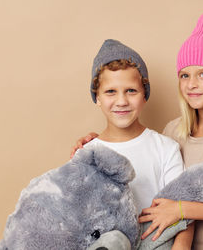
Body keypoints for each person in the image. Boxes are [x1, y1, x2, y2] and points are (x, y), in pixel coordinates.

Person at [72, 13, 203, 250]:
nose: (192, 84)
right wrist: (96, 142)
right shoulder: (174, 131)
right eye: (185, 75)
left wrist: (180, 209)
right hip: (165, 241)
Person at [79, 39, 193, 249]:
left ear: (144, 95)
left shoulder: (165, 148)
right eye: (111, 91)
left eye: (131, 91)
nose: (121, 101)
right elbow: (80, 221)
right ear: (97, 98)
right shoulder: (87, 154)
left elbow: (183, 215)